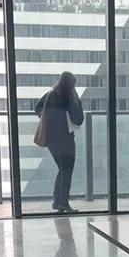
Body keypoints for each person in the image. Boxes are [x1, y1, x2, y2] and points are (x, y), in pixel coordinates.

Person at [36, 72, 84, 214]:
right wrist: (77, 101)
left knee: (62, 169)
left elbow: (37, 107)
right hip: (65, 138)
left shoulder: (50, 94)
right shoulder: (68, 97)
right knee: (67, 170)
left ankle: (58, 201)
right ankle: (62, 203)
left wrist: (48, 119)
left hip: (51, 139)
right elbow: (78, 119)